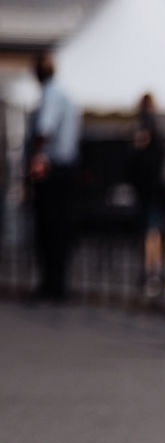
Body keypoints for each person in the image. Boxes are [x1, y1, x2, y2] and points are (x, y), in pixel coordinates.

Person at [26, 51, 81, 303]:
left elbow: (44, 130)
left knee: (48, 229)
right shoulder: (66, 96)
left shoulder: (50, 95)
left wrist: (36, 157)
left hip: (52, 169)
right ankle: (57, 284)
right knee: (60, 228)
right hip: (66, 168)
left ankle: (52, 285)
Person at [130, 93, 165, 296]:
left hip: (154, 181)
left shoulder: (146, 123)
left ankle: (152, 273)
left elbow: (138, 147)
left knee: (152, 228)